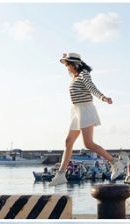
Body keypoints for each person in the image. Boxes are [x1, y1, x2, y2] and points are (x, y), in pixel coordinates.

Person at [51, 53, 124, 186]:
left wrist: (103, 97)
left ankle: (115, 163)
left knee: (88, 144)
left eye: (67, 65)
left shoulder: (84, 74)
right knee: (68, 142)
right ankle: (61, 175)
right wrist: (65, 56)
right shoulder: (73, 76)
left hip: (85, 110)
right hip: (76, 111)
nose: (66, 68)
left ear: (75, 64)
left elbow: (92, 88)